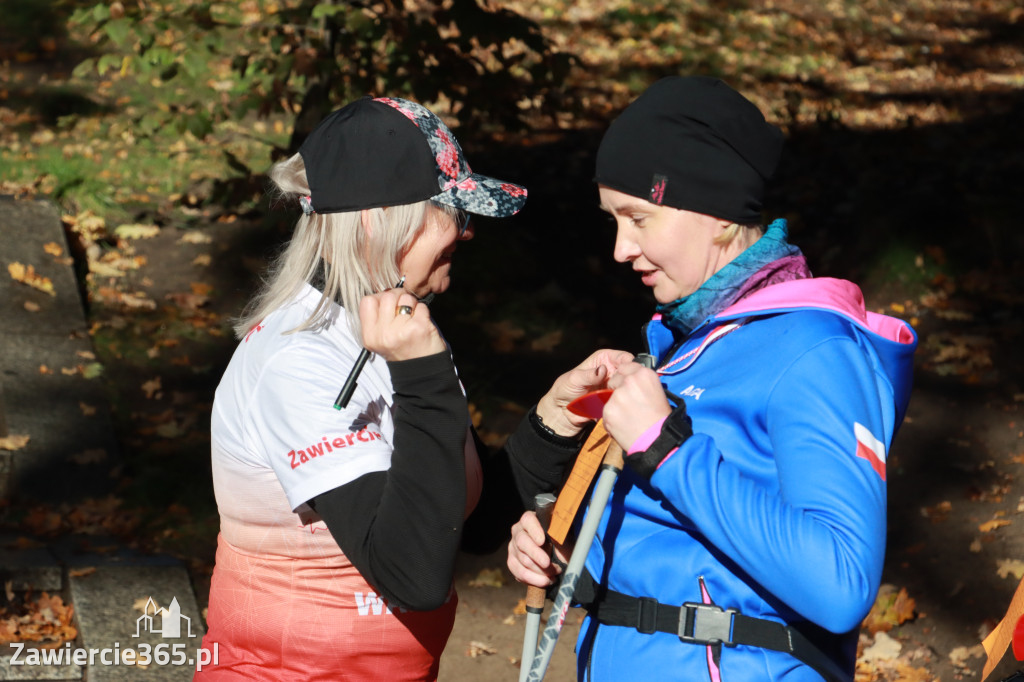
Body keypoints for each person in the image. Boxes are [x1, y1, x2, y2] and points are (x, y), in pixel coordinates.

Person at [506, 76, 918, 681]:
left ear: (717, 211)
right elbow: (690, 549)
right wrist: (574, 551)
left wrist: (666, 449)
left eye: (639, 219)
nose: (620, 248)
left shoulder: (814, 350)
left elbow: (841, 581)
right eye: (613, 221)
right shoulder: (685, 345)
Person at [193, 94, 600, 681]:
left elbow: (467, 523)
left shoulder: (392, 331)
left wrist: (554, 420)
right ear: (377, 220)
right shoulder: (300, 361)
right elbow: (413, 573)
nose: (467, 233)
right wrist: (426, 375)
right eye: (454, 213)